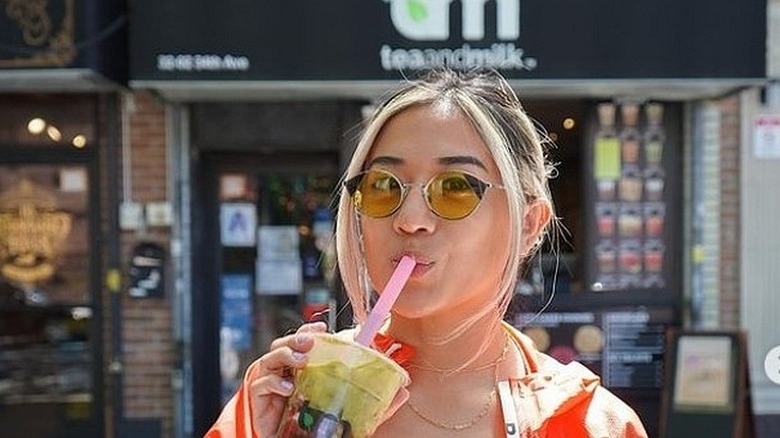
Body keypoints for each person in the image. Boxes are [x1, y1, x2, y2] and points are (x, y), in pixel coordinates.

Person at [206, 68, 648, 438]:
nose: (410, 218)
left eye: (455, 187)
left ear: (528, 223)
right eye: (383, 187)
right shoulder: (291, 395)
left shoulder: (587, 421)